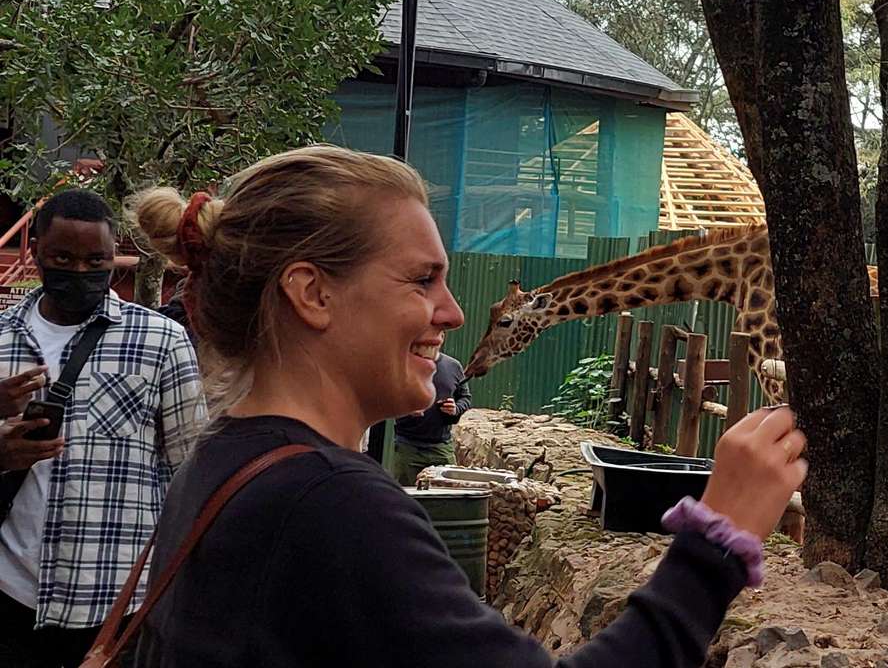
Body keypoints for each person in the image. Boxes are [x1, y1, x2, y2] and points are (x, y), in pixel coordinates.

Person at [126, 145, 806, 667]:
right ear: (312, 293)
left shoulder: (222, 459)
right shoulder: (332, 504)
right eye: (422, 280)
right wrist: (716, 539)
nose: (450, 312)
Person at [0, 189, 206, 667]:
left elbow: (189, 467)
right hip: (10, 595)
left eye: (95, 258)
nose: (78, 270)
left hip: (115, 605)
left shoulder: (160, 340)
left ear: (114, 256)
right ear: (36, 254)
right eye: (62, 257)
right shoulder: (4, 335)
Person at [392, 348, 470, 486]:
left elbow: (465, 397)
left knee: (448, 497)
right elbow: (388, 395)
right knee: (405, 499)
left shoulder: (453, 366)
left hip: (441, 446)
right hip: (408, 447)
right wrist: (406, 407)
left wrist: (455, 408)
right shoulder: (405, 362)